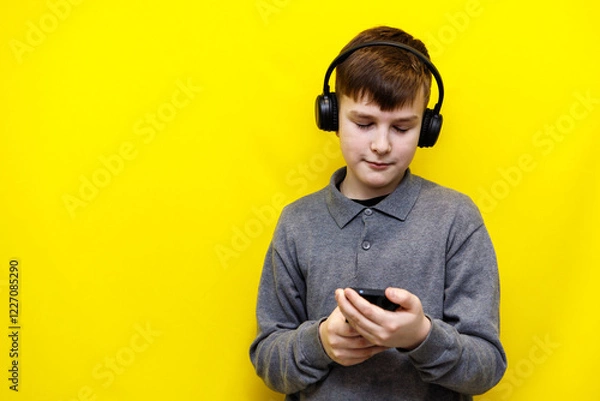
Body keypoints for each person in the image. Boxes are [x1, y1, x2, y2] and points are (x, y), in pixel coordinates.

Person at [249, 26, 506, 400]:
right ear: (331, 116)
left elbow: (486, 367)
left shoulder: (457, 219)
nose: (381, 145)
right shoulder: (297, 223)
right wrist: (320, 342)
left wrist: (421, 337)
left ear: (428, 129)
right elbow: (268, 362)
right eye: (364, 123)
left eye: (402, 127)